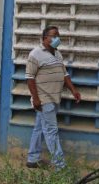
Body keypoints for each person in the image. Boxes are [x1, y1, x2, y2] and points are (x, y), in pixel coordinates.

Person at [25, 26, 81, 170]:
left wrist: (73, 90)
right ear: (45, 38)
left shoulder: (57, 54)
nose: (57, 38)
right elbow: (30, 78)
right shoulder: (35, 54)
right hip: (44, 99)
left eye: (58, 35)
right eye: (54, 35)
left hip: (55, 97)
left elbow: (64, 74)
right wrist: (36, 98)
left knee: (39, 128)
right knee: (51, 131)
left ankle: (32, 158)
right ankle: (60, 165)